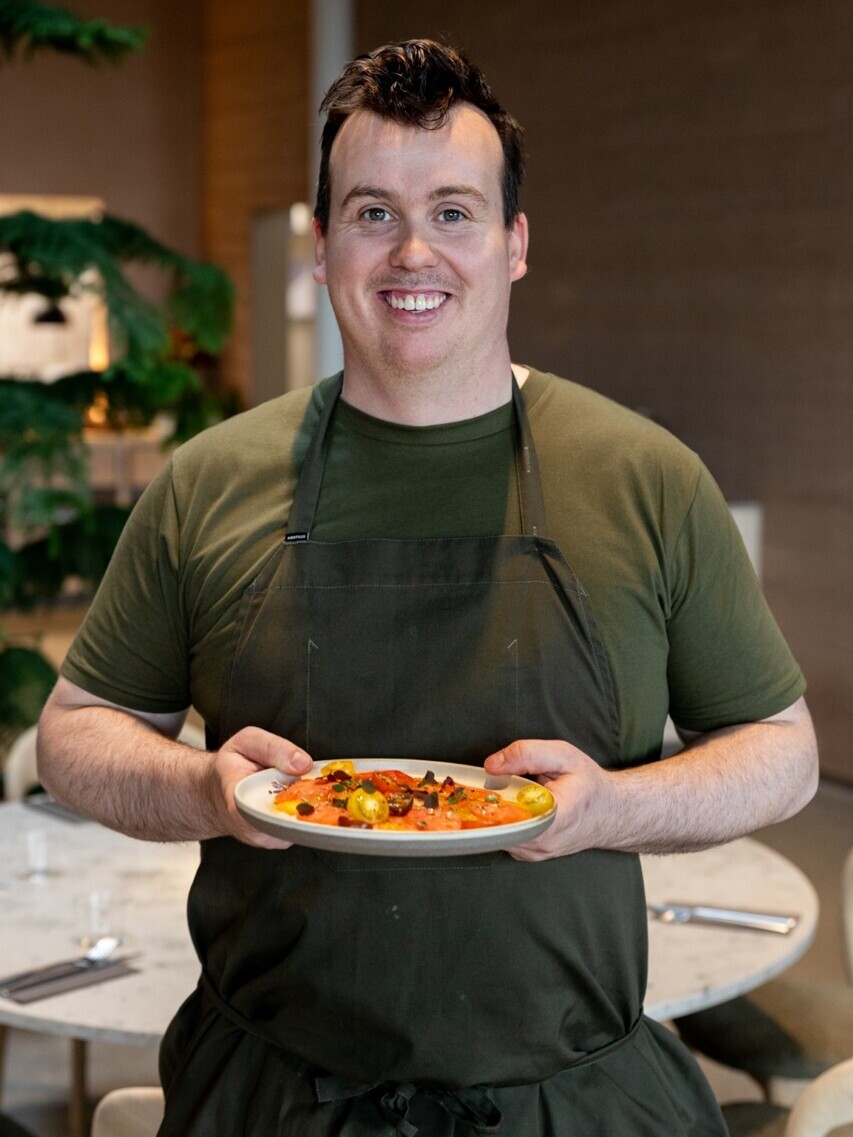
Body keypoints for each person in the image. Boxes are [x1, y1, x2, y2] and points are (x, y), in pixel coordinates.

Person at [37, 39, 817, 1137]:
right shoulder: (209, 479)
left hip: (574, 1098)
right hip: (269, 1098)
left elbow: (783, 753)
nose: (413, 252)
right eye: (371, 214)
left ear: (515, 244)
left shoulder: (644, 477)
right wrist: (205, 790)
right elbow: (79, 733)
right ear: (320, 247)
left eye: (454, 212)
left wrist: (613, 807)